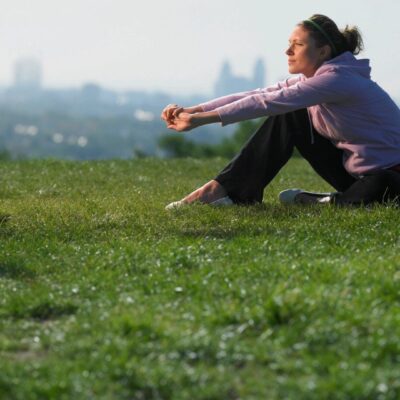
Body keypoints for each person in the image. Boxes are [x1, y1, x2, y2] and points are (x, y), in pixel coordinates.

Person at [161, 14, 400, 209]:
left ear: (323, 52)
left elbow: (267, 103)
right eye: (289, 44)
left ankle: (324, 201)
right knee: (291, 114)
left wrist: (200, 121)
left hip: (388, 177)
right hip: (356, 174)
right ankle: (229, 192)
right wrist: (194, 110)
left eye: (298, 45)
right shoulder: (316, 80)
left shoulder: (337, 79)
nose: (288, 51)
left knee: (382, 184)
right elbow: (258, 95)